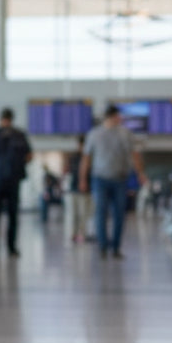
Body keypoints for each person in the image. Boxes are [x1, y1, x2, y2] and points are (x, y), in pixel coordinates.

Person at [79, 105, 146, 259]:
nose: (120, 119)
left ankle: (115, 247)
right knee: (100, 213)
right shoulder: (94, 134)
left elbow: (134, 155)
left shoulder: (125, 134)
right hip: (99, 179)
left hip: (120, 179)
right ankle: (103, 246)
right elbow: (86, 158)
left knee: (119, 215)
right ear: (112, 116)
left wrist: (140, 173)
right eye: (118, 116)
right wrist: (83, 179)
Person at [0, 107, 32, 256]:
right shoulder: (19, 135)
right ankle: (10, 247)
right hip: (12, 179)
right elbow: (29, 156)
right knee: (12, 215)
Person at [63, 135, 91, 244]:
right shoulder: (72, 158)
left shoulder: (90, 158)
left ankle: (82, 234)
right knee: (73, 214)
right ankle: (73, 234)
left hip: (85, 191)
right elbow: (67, 171)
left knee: (83, 214)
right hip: (73, 189)